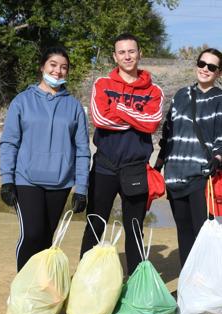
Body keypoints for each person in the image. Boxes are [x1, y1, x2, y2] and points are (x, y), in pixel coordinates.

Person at [0, 47, 91, 272]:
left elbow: (82, 149)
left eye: (63, 67)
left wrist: (81, 188)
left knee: (45, 239)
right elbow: (9, 142)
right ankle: (23, 290)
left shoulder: (74, 107)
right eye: (53, 65)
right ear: (42, 67)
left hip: (60, 182)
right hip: (26, 179)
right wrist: (7, 180)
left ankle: (39, 291)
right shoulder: (22, 101)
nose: (58, 71)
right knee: (32, 234)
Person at [80, 33, 164, 275]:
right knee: (95, 225)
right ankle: (86, 281)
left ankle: (136, 282)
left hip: (136, 168)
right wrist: (134, 117)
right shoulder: (102, 84)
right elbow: (100, 119)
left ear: (140, 53)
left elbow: (151, 124)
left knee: (134, 228)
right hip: (105, 166)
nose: (127, 56)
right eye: (122, 52)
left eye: (131, 51)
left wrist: (118, 108)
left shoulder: (154, 90)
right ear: (114, 56)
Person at [154, 48, 222, 267]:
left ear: (219, 72)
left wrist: (217, 159)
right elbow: (168, 134)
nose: (205, 70)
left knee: (203, 236)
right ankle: (188, 288)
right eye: (202, 64)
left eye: (212, 67)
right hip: (174, 176)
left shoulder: (221, 100)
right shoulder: (182, 95)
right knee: (184, 234)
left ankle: (204, 289)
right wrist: (159, 165)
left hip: (202, 177)